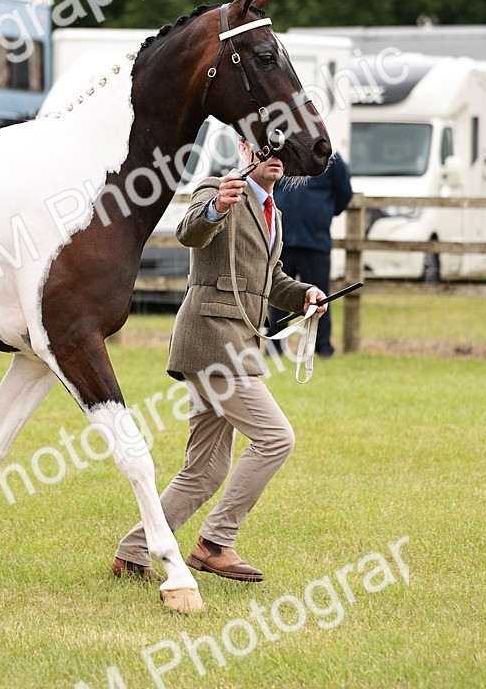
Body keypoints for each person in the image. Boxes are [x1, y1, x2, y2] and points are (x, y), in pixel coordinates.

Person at [111, 140, 327, 584]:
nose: (275, 156)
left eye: (283, 150)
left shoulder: (274, 211)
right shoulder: (217, 186)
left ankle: (133, 553)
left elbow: (270, 281)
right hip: (211, 341)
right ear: (245, 147)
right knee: (276, 438)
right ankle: (214, 543)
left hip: (233, 344)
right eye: (265, 147)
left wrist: (303, 293)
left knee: (205, 472)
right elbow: (189, 232)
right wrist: (216, 208)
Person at [268, 155, 353, 356]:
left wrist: (323, 212)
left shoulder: (330, 158)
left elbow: (344, 192)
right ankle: (274, 346)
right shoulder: (282, 155)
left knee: (319, 298)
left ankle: (322, 347)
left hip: (315, 242)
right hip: (282, 241)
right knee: (278, 295)